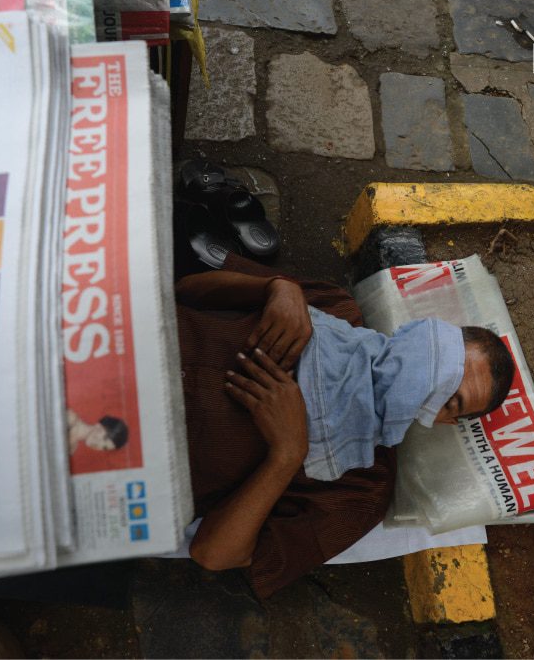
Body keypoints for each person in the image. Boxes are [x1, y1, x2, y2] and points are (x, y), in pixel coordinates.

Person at [175, 254, 515, 598]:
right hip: (136, 338)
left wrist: (288, 453)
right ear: (424, 337)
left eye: (450, 398)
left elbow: (214, 554)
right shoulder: (335, 308)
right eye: (437, 366)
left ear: (445, 419)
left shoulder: (361, 487)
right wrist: (275, 288)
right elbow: (187, 289)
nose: (426, 386)